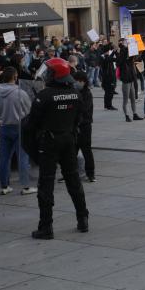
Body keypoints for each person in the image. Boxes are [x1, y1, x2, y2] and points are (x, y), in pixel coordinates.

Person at [27, 58, 88, 239]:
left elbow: (31, 124)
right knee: (73, 181)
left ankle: (46, 226)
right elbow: (80, 119)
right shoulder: (76, 94)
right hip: (68, 139)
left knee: (46, 184)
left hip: (50, 142)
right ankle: (82, 218)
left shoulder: (44, 96)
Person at [0, 67, 35, 195]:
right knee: (22, 157)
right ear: (15, 77)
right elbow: (29, 110)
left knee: (4, 158)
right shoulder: (20, 92)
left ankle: (4, 186)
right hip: (19, 126)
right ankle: (26, 186)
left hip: (4, 126)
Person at [72, 70, 95, 183]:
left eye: (79, 81)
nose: (77, 83)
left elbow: (84, 109)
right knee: (72, 151)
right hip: (74, 126)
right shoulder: (73, 92)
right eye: (76, 81)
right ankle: (70, 172)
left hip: (85, 125)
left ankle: (90, 173)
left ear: (84, 82)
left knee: (86, 150)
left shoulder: (87, 94)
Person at [116, 41, 143, 123]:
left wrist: (135, 46)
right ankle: (127, 115)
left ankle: (134, 114)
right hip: (126, 81)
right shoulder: (122, 61)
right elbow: (120, 60)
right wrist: (127, 47)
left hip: (131, 80)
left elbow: (137, 56)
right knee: (125, 100)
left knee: (133, 99)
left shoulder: (130, 60)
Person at [100, 44, 118, 111]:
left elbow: (115, 59)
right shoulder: (103, 57)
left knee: (109, 92)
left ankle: (108, 105)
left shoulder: (107, 57)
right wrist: (114, 51)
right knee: (109, 92)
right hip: (107, 78)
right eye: (109, 51)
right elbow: (108, 59)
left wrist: (115, 52)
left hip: (110, 77)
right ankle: (108, 106)